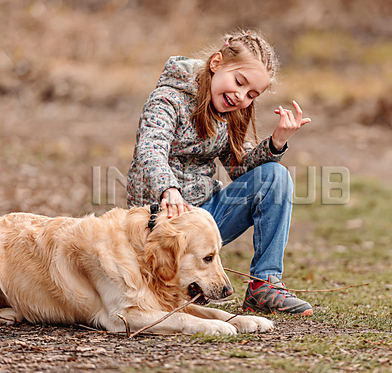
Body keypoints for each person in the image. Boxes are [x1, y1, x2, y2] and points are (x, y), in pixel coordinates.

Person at [127, 30, 313, 316]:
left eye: (251, 94)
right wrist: (169, 188)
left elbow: (240, 168)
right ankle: (177, 279)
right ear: (216, 62)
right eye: (239, 82)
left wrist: (276, 142)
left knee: (274, 176)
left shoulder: (228, 114)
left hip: (206, 221)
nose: (241, 96)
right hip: (161, 224)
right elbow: (150, 150)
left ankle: (265, 284)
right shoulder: (167, 100)